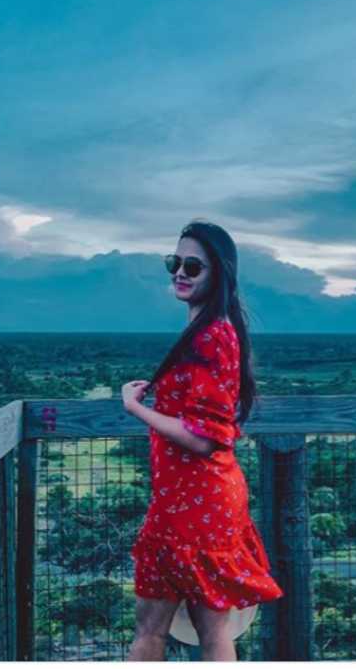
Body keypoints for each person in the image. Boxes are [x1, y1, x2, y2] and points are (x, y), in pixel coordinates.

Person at [121, 220, 283, 661]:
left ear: (219, 273)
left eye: (193, 266)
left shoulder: (214, 335)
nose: (180, 272)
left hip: (195, 504)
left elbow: (205, 438)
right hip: (193, 502)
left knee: (153, 630)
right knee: (209, 631)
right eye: (175, 263)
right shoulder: (210, 331)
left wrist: (138, 409)